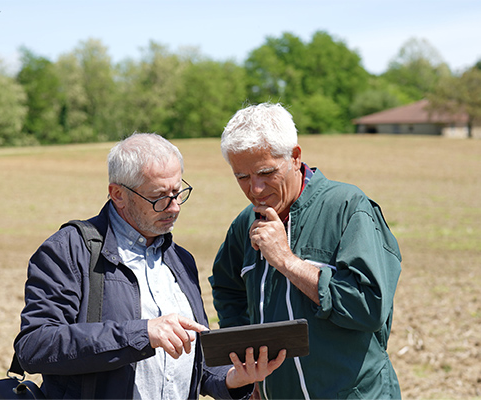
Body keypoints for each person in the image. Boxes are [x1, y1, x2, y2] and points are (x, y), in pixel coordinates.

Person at [14, 132, 285, 399]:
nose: (174, 207)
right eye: (159, 197)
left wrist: (233, 379)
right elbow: (35, 346)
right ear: (118, 194)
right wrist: (142, 333)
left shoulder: (181, 260)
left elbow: (197, 368)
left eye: (178, 193)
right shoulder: (70, 250)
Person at [210, 103, 402, 400]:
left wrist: (286, 261)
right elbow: (227, 289)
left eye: (265, 172)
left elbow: (369, 308)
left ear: (295, 157)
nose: (255, 190)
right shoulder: (244, 223)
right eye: (242, 177)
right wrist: (250, 366)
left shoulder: (348, 208)